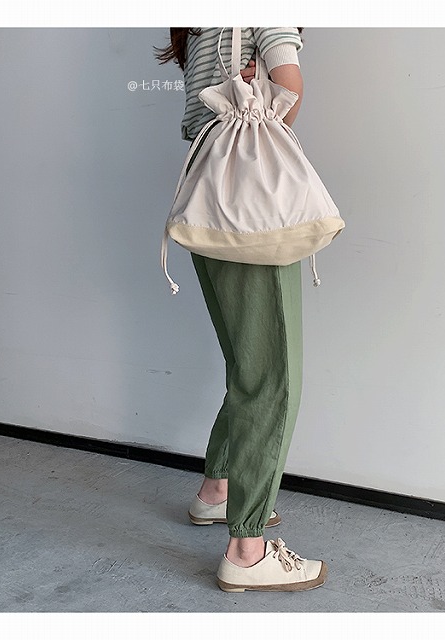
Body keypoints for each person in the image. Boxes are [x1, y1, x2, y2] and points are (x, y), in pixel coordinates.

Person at [155, 27, 327, 593]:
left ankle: (217, 490)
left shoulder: (195, 24)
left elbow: (198, 117)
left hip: (206, 201)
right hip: (253, 211)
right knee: (272, 378)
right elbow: (290, 85)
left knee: (247, 368)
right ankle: (247, 550)